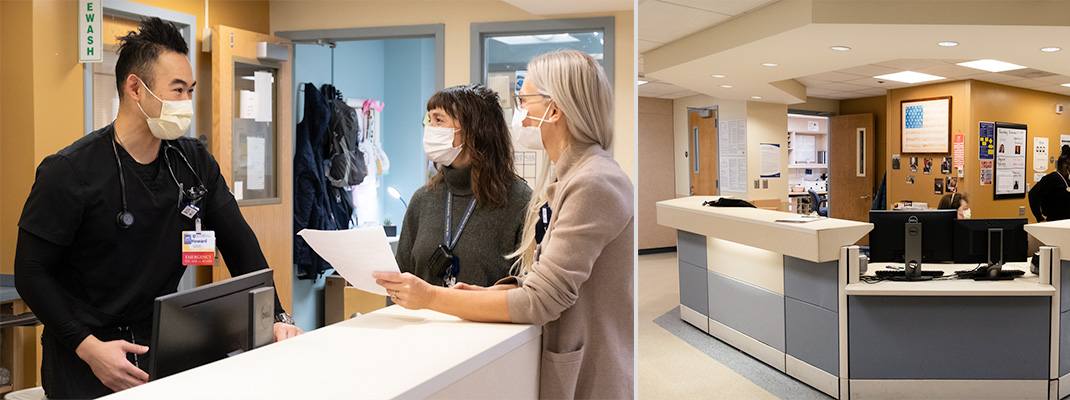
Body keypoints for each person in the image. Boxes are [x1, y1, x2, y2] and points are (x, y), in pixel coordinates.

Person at [12, 18, 301, 398]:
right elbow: (30, 272)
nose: (186, 103)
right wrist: (88, 347)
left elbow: (241, 246)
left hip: (164, 342)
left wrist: (277, 318)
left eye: (190, 90)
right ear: (136, 88)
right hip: (86, 353)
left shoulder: (194, 162)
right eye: (177, 89)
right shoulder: (70, 171)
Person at [372, 49, 634, 398]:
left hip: (589, 372)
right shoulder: (567, 178)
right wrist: (501, 290)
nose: (519, 112)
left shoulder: (594, 182)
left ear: (554, 110)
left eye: (524, 100)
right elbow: (544, 278)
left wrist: (430, 296)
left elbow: (542, 300)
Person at [399, 84, 532, 287]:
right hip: (423, 319)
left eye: (438, 120)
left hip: (488, 319)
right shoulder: (422, 199)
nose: (430, 128)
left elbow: (527, 290)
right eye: (429, 120)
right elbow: (401, 280)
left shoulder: (520, 201)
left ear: (473, 129)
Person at [1028, 145, 1070, 222]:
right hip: (1056, 222)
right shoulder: (1052, 179)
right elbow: (1033, 194)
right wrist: (1039, 218)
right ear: (1066, 167)